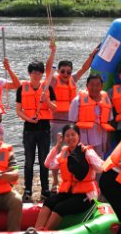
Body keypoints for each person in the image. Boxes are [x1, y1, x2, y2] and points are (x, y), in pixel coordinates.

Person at [48, 44, 99, 191]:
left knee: (73, 150)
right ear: (58, 71)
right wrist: (53, 52)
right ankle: (56, 181)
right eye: (63, 71)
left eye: (68, 72)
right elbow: (48, 67)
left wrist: (92, 55)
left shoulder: (73, 79)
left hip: (71, 122)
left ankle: (73, 177)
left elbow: (84, 69)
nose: (66, 74)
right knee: (58, 150)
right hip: (57, 122)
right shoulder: (53, 81)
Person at [35, 124, 104, 230]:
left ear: (79, 136)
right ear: (64, 138)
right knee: (49, 201)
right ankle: (36, 230)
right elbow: (48, 164)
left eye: (73, 135)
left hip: (85, 195)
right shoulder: (64, 152)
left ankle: (46, 233)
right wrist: (57, 145)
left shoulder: (86, 151)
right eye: (67, 136)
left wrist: (88, 155)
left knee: (60, 208)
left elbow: (100, 167)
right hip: (68, 192)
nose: (70, 138)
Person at [15, 53, 57, 203]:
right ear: (29, 73)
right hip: (29, 128)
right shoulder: (22, 88)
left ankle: (45, 190)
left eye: (39, 72)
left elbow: (55, 109)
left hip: (44, 128)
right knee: (29, 161)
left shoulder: (47, 88)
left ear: (42, 74)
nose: (36, 75)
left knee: (44, 160)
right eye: (34, 72)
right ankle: (27, 190)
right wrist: (28, 119)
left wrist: (47, 100)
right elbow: (18, 110)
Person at [69, 73, 114, 156]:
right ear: (87, 85)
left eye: (97, 85)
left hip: (101, 141)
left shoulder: (106, 100)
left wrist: (108, 141)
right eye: (92, 85)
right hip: (83, 142)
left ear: (102, 86)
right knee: (84, 167)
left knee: (99, 166)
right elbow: (72, 124)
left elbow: (108, 122)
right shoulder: (77, 101)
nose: (95, 88)